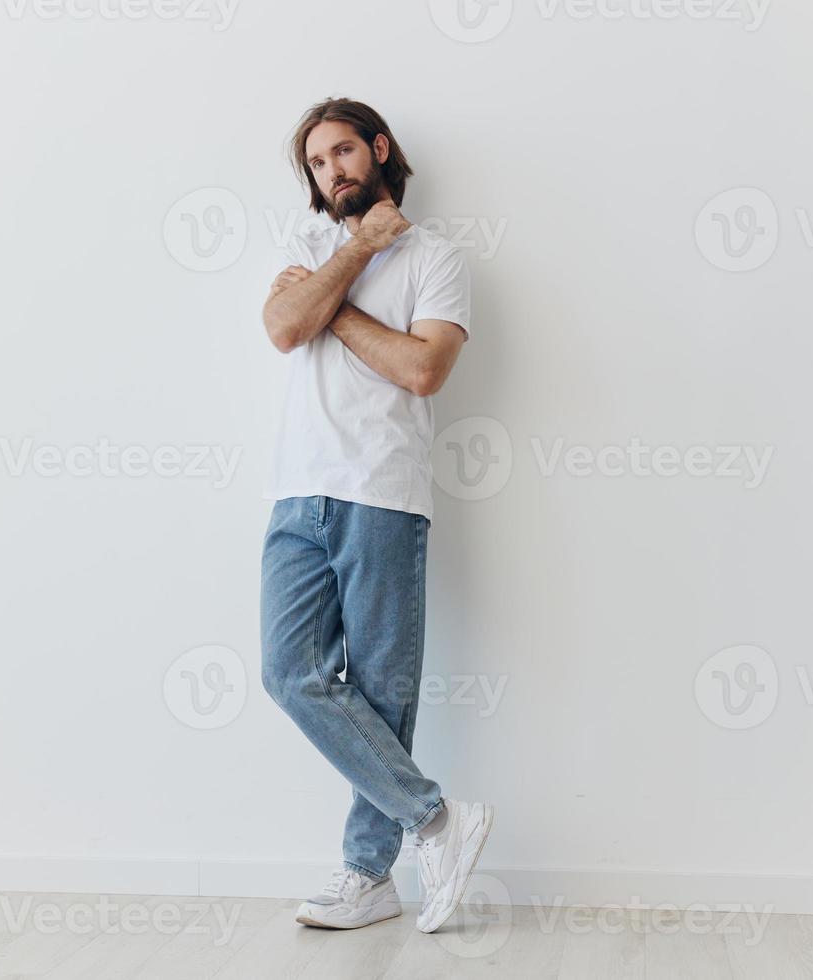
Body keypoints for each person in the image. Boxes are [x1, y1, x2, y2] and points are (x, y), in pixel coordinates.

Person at [258, 96, 494, 934]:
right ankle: (436, 818)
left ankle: (369, 875)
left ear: (379, 148)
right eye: (318, 165)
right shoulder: (309, 246)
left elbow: (424, 370)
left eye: (343, 153)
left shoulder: (438, 258)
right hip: (297, 492)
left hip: (385, 492)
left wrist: (336, 308)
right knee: (290, 673)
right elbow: (286, 328)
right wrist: (354, 251)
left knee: (383, 693)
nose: (333, 173)